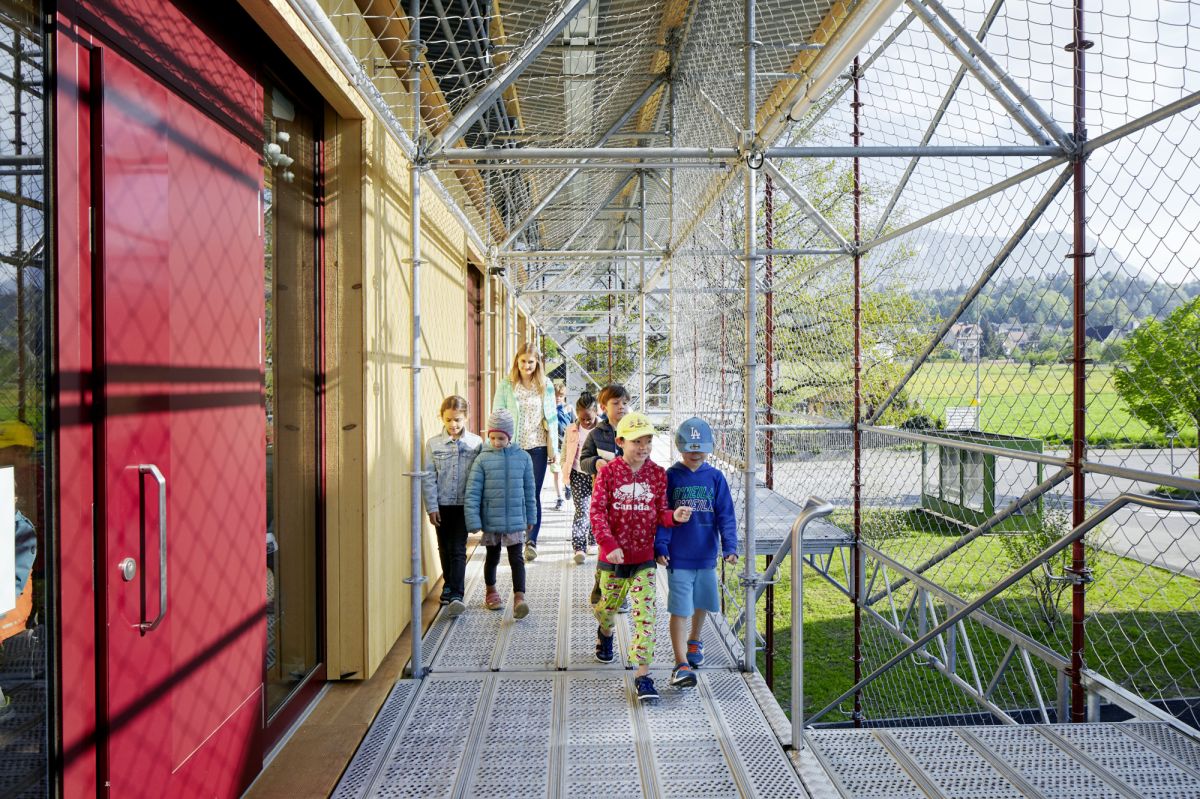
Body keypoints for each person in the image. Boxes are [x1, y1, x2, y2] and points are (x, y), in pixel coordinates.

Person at [590, 412, 692, 702]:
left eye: (648, 441)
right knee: (606, 609)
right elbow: (596, 513)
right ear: (620, 441)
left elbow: (660, 512)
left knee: (644, 615)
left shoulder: (657, 475)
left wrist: (674, 516)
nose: (644, 447)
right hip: (613, 557)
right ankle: (605, 631)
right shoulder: (608, 473)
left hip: (644, 558)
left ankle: (642, 676)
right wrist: (609, 545)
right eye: (637, 442)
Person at [654, 417, 738, 688]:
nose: (696, 453)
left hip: (706, 555)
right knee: (679, 608)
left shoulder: (715, 477)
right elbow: (663, 514)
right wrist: (662, 545)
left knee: (701, 602)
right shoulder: (671, 476)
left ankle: (694, 639)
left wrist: (730, 546)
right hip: (679, 556)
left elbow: (726, 515)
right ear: (680, 447)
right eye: (690, 448)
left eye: (700, 447)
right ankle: (680, 662)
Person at [464, 409, 537, 619]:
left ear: (510, 436)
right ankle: (491, 591)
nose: (496, 442)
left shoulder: (523, 458)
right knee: (492, 558)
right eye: (493, 437)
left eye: (501, 438)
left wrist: (531, 517)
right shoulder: (482, 460)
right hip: (491, 520)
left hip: (515, 520)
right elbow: (473, 492)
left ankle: (519, 597)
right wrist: (473, 521)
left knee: (517, 559)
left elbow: (530, 490)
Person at [492, 343, 559, 562]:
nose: (527, 365)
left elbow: (552, 418)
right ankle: (517, 536)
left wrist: (554, 449)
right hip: (513, 448)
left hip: (538, 446)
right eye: (523, 361)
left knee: (533, 494)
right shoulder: (507, 384)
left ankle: (532, 540)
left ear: (537, 362)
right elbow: (497, 414)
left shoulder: (545, 385)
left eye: (531, 361)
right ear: (517, 361)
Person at [422, 395, 483, 618]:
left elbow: (480, 477)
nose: (453, 425)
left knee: (458, 548)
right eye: (448, 420)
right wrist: (431, 507)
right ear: (442, 418)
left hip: (463, 505)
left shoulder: (476, 443)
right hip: (442, 504)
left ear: (466, 417)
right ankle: (448, 585)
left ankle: (456, 593)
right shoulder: (433, 444)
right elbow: (428, 477)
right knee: (444, 547)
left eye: (457, 420)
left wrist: (478, 507)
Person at [579, 384, 630, 607]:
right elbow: (583, 460)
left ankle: (622, 593)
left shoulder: (633, 431)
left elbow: (644, 454)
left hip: (629, 499)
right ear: (603, 407)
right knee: (606, 545)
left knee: (626, 545)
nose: (621, 407)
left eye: (625, 403)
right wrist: (596, 463)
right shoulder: (596, 434)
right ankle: (601, 582)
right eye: (616, 403)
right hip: (605, 499)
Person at [559, 391, 600, 563]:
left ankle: (594, 541)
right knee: (582, 510)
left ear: (596, 412)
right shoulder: (572, 429)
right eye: (582, 418)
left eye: (589, 418)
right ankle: (578, 547)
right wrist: (564, 467)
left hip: (598, 475)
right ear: (577, 414)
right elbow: (565, 451)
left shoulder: (602, 429)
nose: (586, 422)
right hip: (578, 474)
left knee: (597, 509)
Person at [552, 382, 574, 510]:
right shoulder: (549, 409)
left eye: (560, 395)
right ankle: (559, 498)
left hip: (567, 445)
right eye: (555, 395)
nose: (557, 398)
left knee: (567, 470)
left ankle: (568, 486)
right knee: (556, 472)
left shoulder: (568, 408)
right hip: (555, 446)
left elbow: (574, 424)